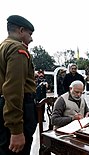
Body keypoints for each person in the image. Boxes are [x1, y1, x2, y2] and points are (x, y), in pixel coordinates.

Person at [0, 15, 37, 154]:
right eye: (30, 34)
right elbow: (13, 90)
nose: (31, 39)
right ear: (21, 31)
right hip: (18, 110)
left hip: (4, 109)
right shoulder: (17, 49)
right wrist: (16, 130)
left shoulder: (3, 46)